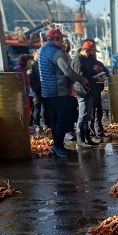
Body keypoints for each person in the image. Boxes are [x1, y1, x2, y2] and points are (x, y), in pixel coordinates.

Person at [38, 28, 88, 158]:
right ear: (55, 39)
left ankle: (57, 145)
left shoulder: (42, 51)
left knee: (55, 120)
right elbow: (68, 72)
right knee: (62, 119)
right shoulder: (57, 53)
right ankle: (58, 146)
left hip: (47, 92)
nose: (63, 42)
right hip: (59, 92)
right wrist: (82, 79)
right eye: (61, 39)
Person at [71, 40, 99, 149]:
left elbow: (90, 72)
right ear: (87, 50)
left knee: (88, 116)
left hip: (89, 90)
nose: (93, 54)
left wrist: (96, 73)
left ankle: (87, 138)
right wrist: (92, 75)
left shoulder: (88, 59)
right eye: (92, 51)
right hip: (82, 91)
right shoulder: (77, 60)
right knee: (82, 116)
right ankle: (80, 140)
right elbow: (80, 76)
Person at [29, 48, 50, 132]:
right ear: (34, 55)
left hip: (43, 88)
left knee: (45, 107)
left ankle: (45, 123)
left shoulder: (42, 64)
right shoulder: (33, 64)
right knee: (37, 107)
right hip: (37, 89)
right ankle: (37, 124)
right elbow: (31, 77)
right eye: (37, 54)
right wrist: (35, 88)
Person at [90, 54, 110, 141]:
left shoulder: (99, 64)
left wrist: (104, 76)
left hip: (98, 90)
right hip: (90, 91)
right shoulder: (87, 65)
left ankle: (99, 132)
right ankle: (91, 134)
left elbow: (106, 72)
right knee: (92, 113)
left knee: (99, 112)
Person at [13, 54, 33, 128]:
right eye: (29, 63)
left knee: (27, 114)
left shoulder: (24, 71)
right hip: (21, 97)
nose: (31, 65)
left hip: (25, 96)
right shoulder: (18, 71)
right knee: (24, 114)